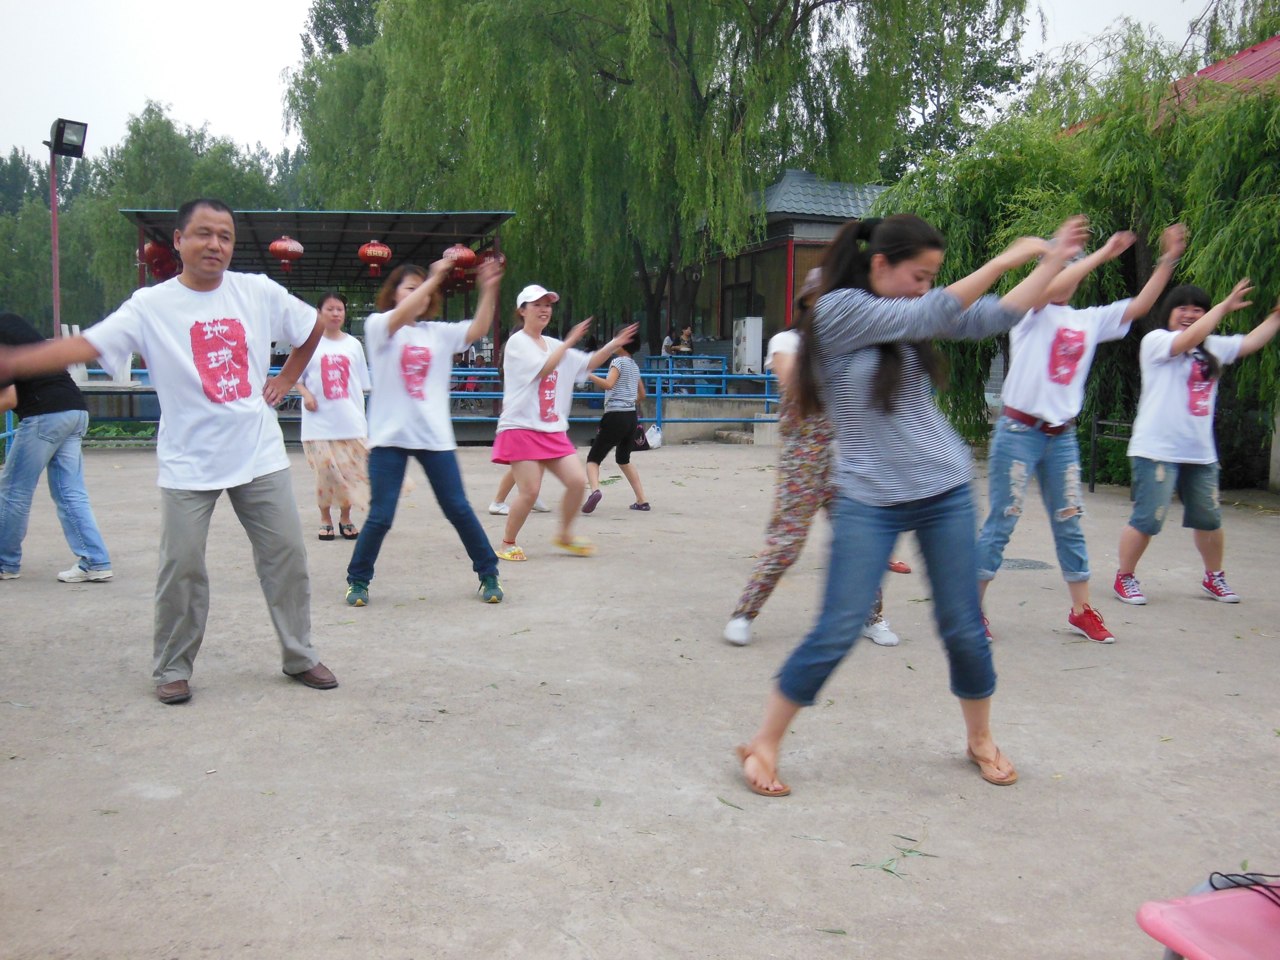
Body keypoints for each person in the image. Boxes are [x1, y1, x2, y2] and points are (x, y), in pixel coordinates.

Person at [735, 212, 1087, 797]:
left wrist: (1049, 263)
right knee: (839, 625)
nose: (925, 287)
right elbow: (936, 310)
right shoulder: (838, 309)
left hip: (943, 489)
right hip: (868, 496)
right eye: (919, 274)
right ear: (880, 265)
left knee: (963, 626)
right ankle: (764, 742)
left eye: (932, 278)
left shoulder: (906, 314)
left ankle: (979, 738)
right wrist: (1004, 258)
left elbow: (990, 317)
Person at [0, 198, 336, 705]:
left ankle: (300, 654)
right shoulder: (150, 306)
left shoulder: (256, 291)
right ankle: (172, 667)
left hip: (257, 452)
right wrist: (20, 358)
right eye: (203, 233)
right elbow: (86, 345)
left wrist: (287, 377)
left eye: (224, 235)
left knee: (286, 556)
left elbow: (311, 329)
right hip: (189, 460)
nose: (215, 244)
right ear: (179, 241)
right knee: (181, 566)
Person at [976, 224, 1187, 644]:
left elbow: (1141, 305)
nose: (1067, 280)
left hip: (1061, 437)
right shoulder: (1027, 312)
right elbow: (1050, 284)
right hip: (1019, 430)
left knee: (1070, 521)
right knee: (1003, 518)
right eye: (1060, 270)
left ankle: (1081, 609)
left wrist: (1167, 259)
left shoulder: (1089, 320)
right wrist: (1100, 255)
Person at [722, 272, 906, 649]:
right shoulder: (788, 341)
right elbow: (794, 383)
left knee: (860, 541)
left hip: (847, 454)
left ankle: (871, 618)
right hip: (803, 456)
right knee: (787, 542)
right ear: (807, 302)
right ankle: (743, 614)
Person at [344, 257, 506, 607]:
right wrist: (435, 277)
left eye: (422, 290)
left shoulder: (438, 333)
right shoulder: (379, 327)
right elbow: (404, 313)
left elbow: (478, 328)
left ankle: (488, 572)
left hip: (434, 437)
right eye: (410, 288)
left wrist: (489, 288)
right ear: (394, 294)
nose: (418, 294)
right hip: (389, 438)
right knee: (381, 514)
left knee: (458, 508)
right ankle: (358, 580)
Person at [1114, 282, 1279, 604]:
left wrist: (1275, 317)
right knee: (1148, 518)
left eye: (1197, 309)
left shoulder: (1212, 347)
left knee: (1209, 519)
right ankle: (1125, 577)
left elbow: (1249, 343)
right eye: (1183, 308)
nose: (1190, 315)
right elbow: (1189, 338)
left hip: (1200, 453)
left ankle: (1213, 577)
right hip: (1156, 450)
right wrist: (1223, 306)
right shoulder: (1157, 341)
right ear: (1169, 313)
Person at [491, 283, 637, 560]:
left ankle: (565, 535)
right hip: (521, 427)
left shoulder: (555, 345)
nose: (544, 310)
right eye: (537, 305)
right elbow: (543, 368)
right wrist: (570, 342)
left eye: (548, 305)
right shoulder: (518, 343)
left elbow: (588, 364)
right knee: (530, 490)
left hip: (552, 428)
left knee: (575, 481)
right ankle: (508, 542)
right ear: (522, 311)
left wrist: (613, 345)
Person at [0, 312, 112, 583]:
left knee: (14, 490)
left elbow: (9, 397)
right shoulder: (14, 323)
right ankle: (95, 561)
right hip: (74, 410)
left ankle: (6, 563)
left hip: (45, 415)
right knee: (70, 491)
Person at [295, 292, 370, 542]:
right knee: (325, 473)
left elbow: (361, 383)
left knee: (349, 473)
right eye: (330, 309)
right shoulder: (307, 343)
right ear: (319, 312)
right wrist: (306, 394)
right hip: (318, 422)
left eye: (340, 309)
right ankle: (325, 519)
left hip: (349, 420)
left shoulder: (354, 345)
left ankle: (346, 518)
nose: (336, 313)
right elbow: (295, 377)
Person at [582, 325, 649, 513]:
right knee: (624, 459)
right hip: (630, 417)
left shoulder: (617, 363)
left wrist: (589, 374)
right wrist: (628, 400)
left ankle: (595, 490)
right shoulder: (635, 366)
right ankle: (642, 499)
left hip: (615, 416)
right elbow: (642, 394)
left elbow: (609, 384)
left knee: (593, 459)